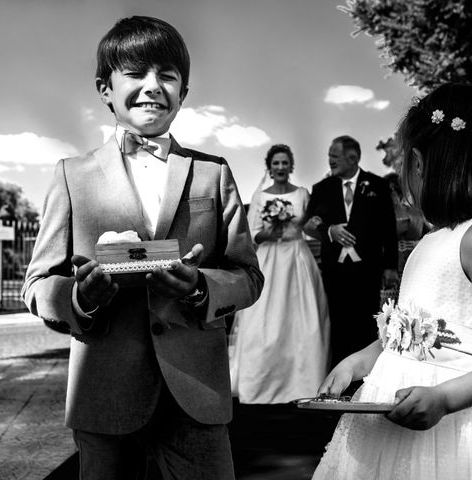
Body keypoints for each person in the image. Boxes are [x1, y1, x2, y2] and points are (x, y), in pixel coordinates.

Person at [22, 16, 263, 480]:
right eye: (135, 73)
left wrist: (200, 287)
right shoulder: (72, 174)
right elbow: (37, 282)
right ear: (105, 89)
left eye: (167, 76)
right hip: (105, 392)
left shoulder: (213, 172)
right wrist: (79, 298)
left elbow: (248, 275)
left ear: (184, 93)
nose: (153, 86)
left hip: (197, 391)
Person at [312, 83, 472, 479]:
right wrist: (358, 362)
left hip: (461, 431)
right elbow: (411, 333)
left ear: (420, 162)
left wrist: (444, 399)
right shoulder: (430, 241)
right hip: (398, 422)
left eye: (405, 164)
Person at [229, 144, 330, 404]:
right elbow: (250, 235)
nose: (281, 167)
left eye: (285, 163)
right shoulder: (260, 196)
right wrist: (268, 233)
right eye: (276, 163)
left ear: (291, 166)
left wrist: (313, 225)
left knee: (302, 321)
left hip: (297, 259)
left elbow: (309, 228)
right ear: (270, 167)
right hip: (269, 262)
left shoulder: (302, 194)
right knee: (264, 320)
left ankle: (304, 382)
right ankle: (261, 383)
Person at [305, 135, 398, 368]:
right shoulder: (321, 188)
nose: (330, 161)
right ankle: (338, 380)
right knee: (337, 324)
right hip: (334, 270)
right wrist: (329, 231)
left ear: (353, 158)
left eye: (334, 156)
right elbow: (308, 223)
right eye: (329, 156)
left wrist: (390, 267)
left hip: (368, 268)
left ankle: (364, 381)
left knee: (366, 323)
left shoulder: (378, 185)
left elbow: (389, 228)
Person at [383, 172, 431, 275]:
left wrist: (415, 244)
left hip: (415, 268)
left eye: (395, 190)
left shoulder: (417, 214)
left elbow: (432, 237)